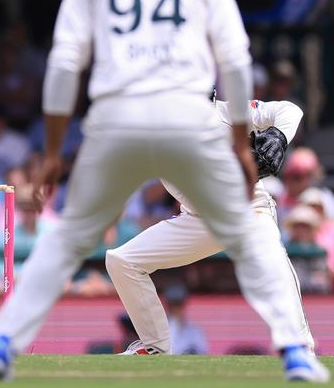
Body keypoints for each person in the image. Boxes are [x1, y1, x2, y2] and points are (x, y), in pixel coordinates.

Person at [0, 0, 326, 382]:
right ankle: (291, 353)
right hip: (188, 118)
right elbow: (234, 57)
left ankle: (3, 343)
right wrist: (238, 145)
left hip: (118, 117)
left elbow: (64, 62)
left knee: (70, 236)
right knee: (241, 249)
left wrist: (53, 149)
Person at [104, 97, 316, 355]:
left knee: (273, 261)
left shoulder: (226, 112)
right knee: (122, 261)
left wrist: (277, 136)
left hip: (248, 210)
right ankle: (155, 347)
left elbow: (290, 109)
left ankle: (301, 347)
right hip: (198, 220)